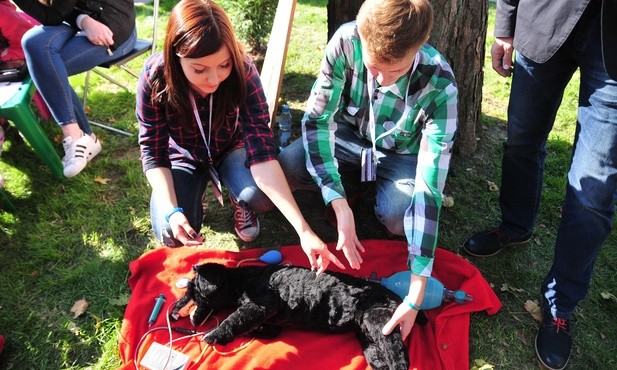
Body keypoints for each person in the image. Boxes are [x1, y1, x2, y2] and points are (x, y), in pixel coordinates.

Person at [278, 0, 457, 340]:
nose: (381, 80)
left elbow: (429, 187)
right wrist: (337, 201)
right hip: (347, 138)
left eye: (395, 72)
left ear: (420, 47)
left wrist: (416, 290)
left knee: (396, 215)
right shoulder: (345, 41)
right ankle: (350, 189)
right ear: (360, 36)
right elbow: (318, 123)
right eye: (373, 68)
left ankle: (368, 189)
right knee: (289, 163)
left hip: (399, 155)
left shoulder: (441, 85)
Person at [462, 0, 617, 369]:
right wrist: (505, 24)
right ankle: (515, 227)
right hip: (544, 18)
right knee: (521, 140)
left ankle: (560, 301)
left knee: (594, 190)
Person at [136, 0, 337, 269]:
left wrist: (304, 231)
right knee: (170, 232)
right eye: (199, 69)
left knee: (261, 197)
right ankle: (190, 200)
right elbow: (152, 153)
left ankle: (238, 196)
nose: (214, 79)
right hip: (181, 156)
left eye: (224, 65)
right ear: (176, 56)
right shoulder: (155, 76)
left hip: (231, 149)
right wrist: (173, 212)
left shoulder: (243, 71)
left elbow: (262, 152)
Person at [13, 0, 137, 178]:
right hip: (73, 20)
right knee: (32, 42)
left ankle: (80, 137)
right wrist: (83, 20)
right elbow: (50, 17)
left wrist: (85, 20)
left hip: (112, 23)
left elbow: (55, 14)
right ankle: (80, 138)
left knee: (47, 67)